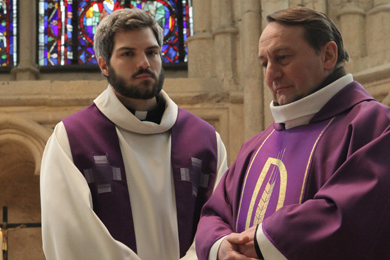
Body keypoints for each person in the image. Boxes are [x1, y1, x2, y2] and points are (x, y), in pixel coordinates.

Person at [195, 7, 390, 260]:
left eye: (283, 58)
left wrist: (262, 240)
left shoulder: (375, 126)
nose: (271, 74)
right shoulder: (256, 146)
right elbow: (214, 213)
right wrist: (221, 247)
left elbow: (353, 214)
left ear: (328, 55)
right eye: (264, 63)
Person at [40, 8, 228, 260]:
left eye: (152, 52)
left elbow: (219, 222)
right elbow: (71, 235)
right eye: (128, 54)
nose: (144, 63)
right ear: (104, 64)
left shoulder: (206, 141)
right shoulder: (71, 140)